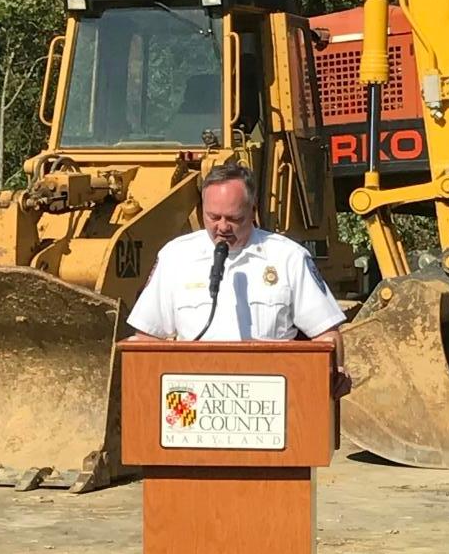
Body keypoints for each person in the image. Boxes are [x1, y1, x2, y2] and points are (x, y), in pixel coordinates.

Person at [127, 163, 351, 398]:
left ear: (252, 210)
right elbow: (146, 338)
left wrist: (333, 371)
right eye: (213, 217)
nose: (222, 227)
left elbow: (326, 333)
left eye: (234, 218)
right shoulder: (176, 256)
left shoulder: (288, 257)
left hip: (271, 403)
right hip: (192, 403)